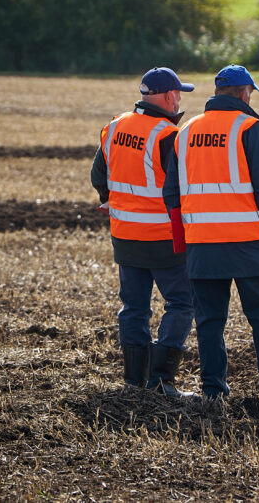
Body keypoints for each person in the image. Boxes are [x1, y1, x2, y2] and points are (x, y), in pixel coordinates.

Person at [162, 64, 259, 415]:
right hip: (250, 244)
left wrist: (190, 237)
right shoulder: (250, 128)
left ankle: (213, 394)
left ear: (217, 92)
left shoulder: (185, 132)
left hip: (202, 246)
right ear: (244, 93)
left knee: (210, 322)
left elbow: (172, 195)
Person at [91, 67, 197, 398]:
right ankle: (162, 381)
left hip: (124, 236)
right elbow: (181, 188)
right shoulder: (167, 136)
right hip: (163, 239)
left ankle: (134, 381)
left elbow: (99, 175)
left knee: (134, 308)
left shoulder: (114, 127)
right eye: (179, 93)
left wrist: (110, 201)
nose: (180, 99)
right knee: (182, 303)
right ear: (167, 97)